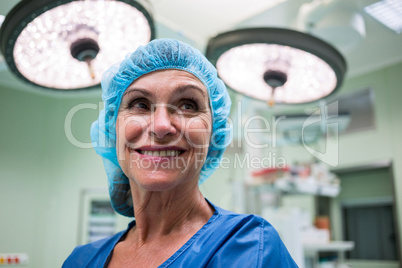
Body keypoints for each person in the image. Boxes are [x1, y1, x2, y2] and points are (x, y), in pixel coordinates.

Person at [63, 39, 298, 267]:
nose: (162, 126)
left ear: (213, 132)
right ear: (112, 129)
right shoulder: (81, 261)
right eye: (140, 104)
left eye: (188, 105)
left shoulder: (250, 249)